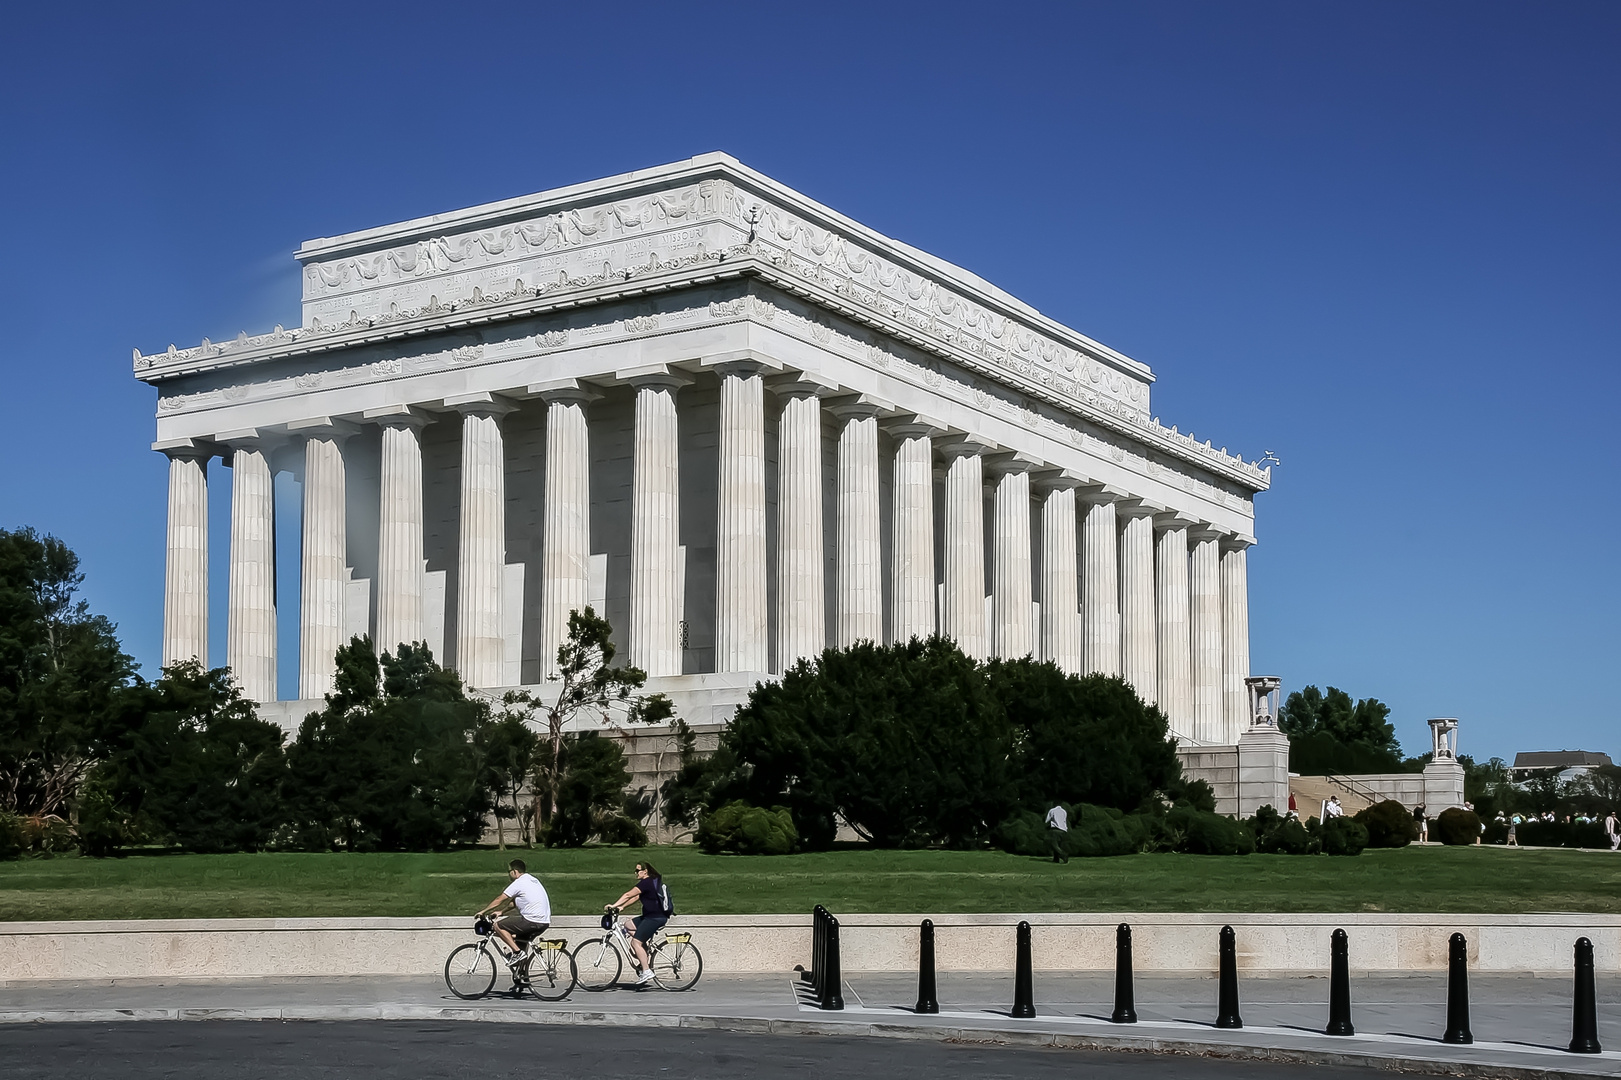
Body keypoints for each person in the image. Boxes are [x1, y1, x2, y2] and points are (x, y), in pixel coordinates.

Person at [476, 859, 552, 965]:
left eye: (509, 871)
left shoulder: (519, 882)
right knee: (518, 940)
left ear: (515, 871)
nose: (508, 874)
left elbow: (500, 899)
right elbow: (514, 903)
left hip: (531, 920)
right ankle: (522, 977)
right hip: (544, 922)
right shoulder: (532, 880)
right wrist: (502, 912)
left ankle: (517, 953)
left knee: (498, 926)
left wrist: (483, 911)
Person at [607, 861, 670, 985]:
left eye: (637, 870)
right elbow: (635, 897)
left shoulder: (646, 882)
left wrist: (613, 905)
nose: (635, 873)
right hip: (651, 916)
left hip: (654, 918)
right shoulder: (652, 881)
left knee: (635, 943)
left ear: (645, 871)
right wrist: (622, 907)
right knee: (628, 925)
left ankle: (646, 971)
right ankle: (643, 956)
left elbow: (628, 894)